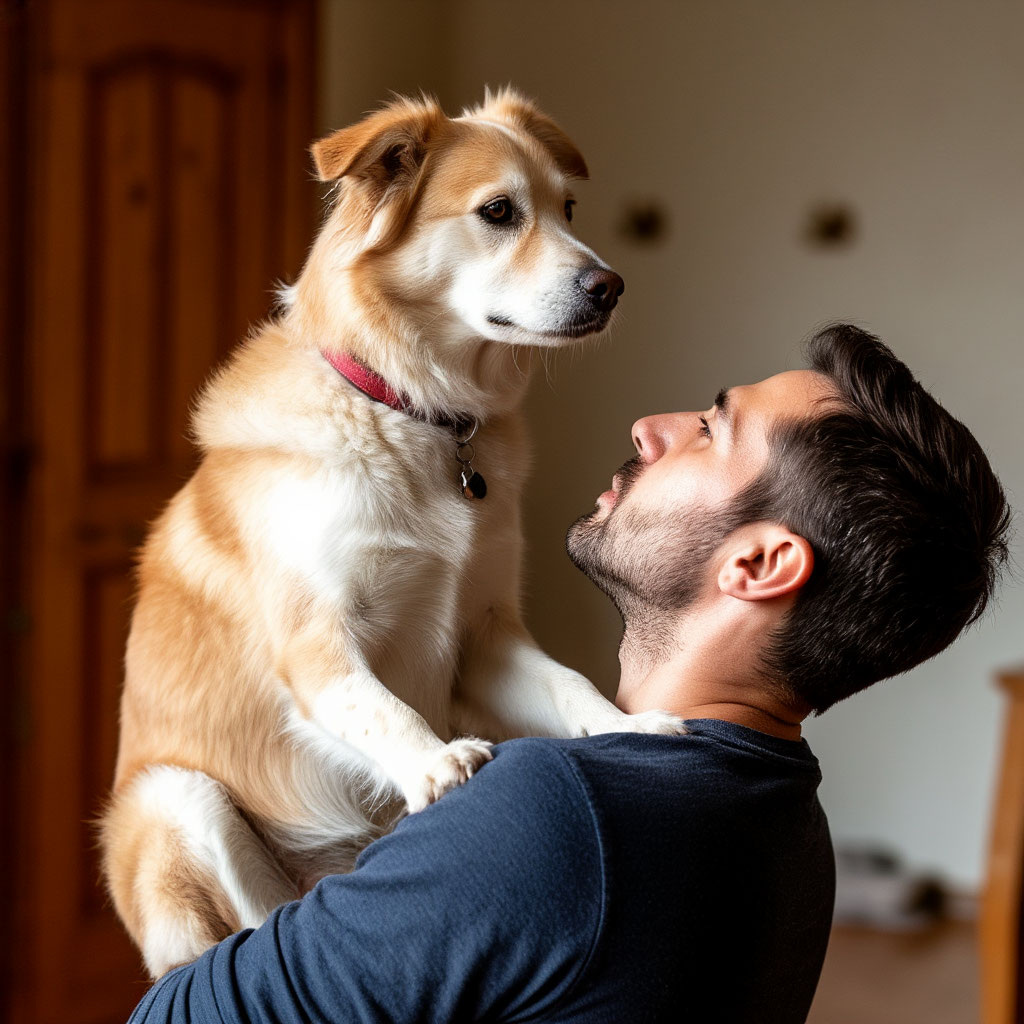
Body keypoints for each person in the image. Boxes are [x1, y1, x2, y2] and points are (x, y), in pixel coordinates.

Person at [126, 324, 1010, 1024]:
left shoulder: (555, 815)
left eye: (711, 429)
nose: (652, 428)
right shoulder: (786, 826)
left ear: (760, 565)